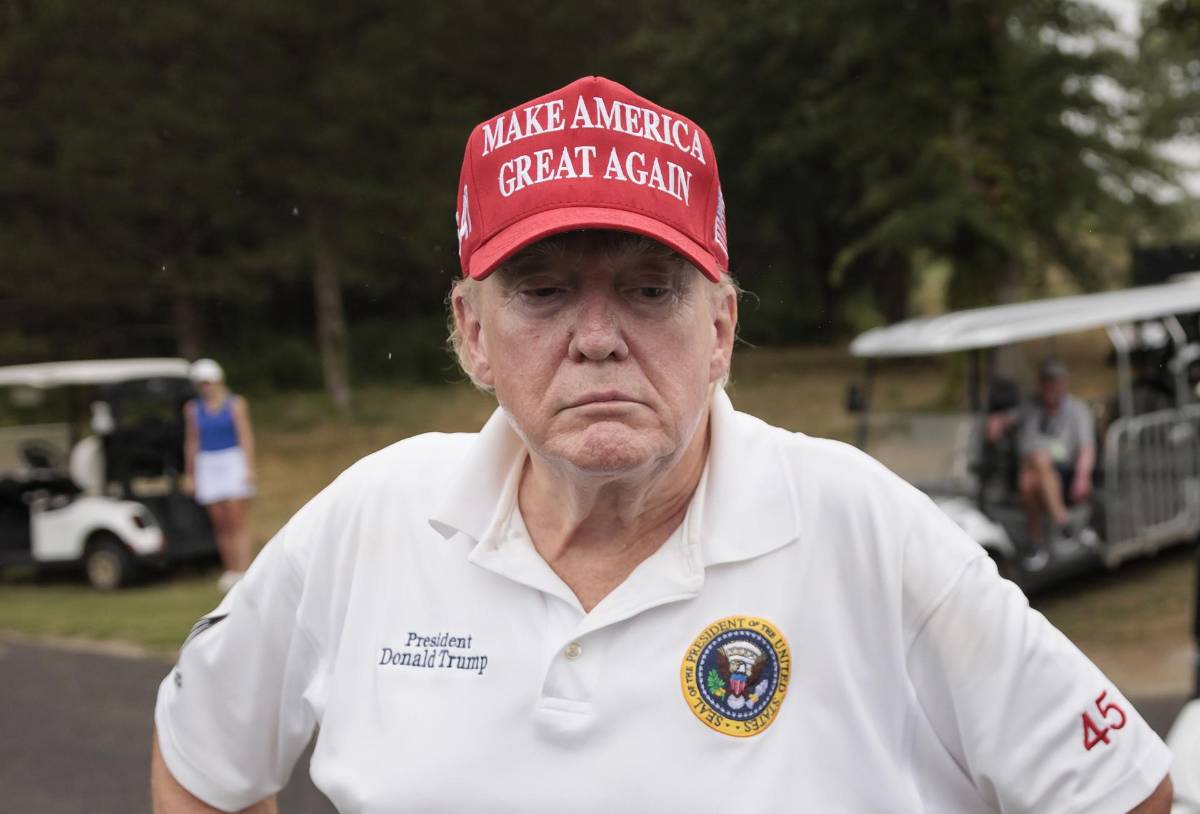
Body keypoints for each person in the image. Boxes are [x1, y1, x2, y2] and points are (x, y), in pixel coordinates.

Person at [152, 76, 1172, 812]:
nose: (597, 336)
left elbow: (1124, 788)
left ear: (721, 327)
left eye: (650, 289)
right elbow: (202, 758)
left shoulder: (859, 527)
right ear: (471, 330)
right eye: (543, 292)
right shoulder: (370, 520)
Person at [183, 358, 256, 593]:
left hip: (231, 460)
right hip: (208, 463)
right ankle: (231, 570)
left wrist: (249, 467)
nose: (206, 387)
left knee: (237, 520)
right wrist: (191, 474)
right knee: (220, 522)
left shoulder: (235, 404)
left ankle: (245, 570)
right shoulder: (193, 409)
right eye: (202, 383)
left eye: (209, 382)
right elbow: (192, 442)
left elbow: (245, 436)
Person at [1016, 359, 1095, 565]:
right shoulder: (1031, 411)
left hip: (1067, 471)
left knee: (1030, 476)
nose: (1050, 387)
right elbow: (1025, 453)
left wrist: (1082, 476)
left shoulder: (1077, 409)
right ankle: (1063, 522)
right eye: (1045, 381)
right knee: (1029, 479)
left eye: (1054, 381)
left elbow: (1086, 448)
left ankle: (1036, 543)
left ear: (1063, 383)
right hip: (1039, 473)